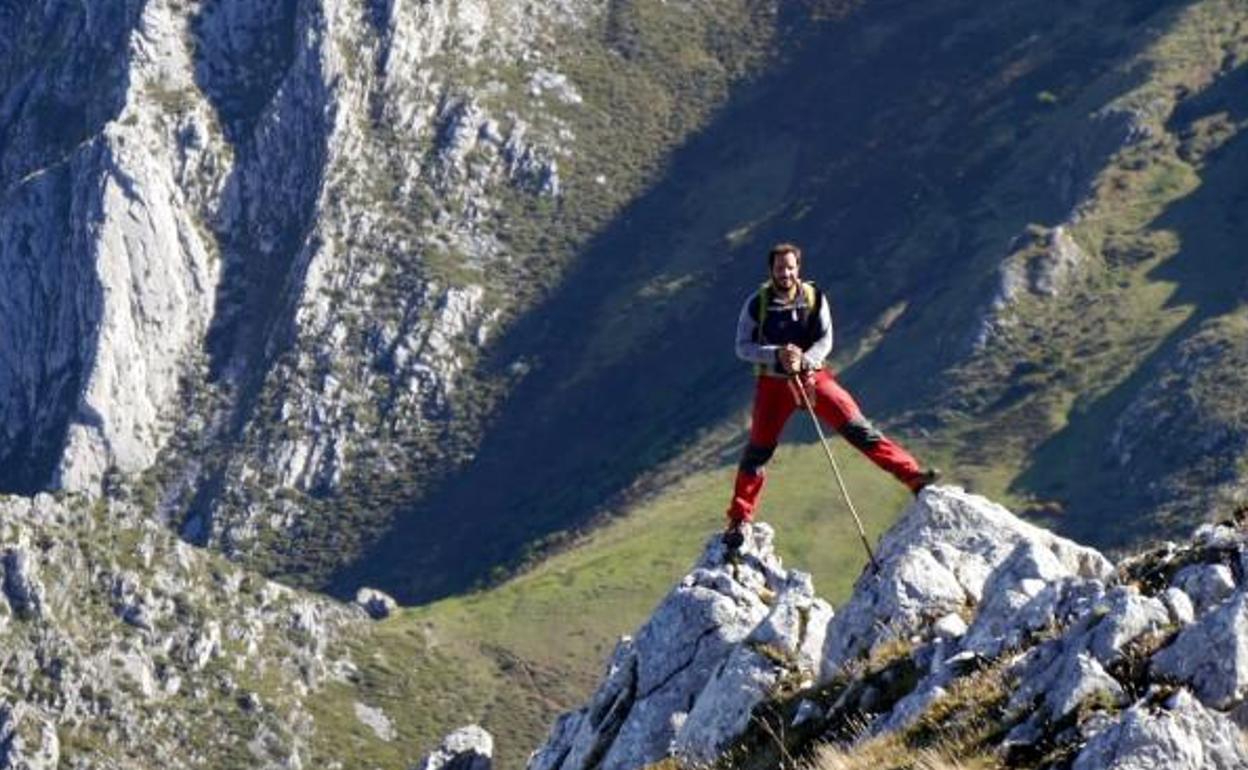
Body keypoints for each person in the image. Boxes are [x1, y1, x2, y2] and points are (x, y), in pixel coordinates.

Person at [724, 242, 937, 545]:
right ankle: (739, 521)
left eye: (789, 267)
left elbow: (826, 339)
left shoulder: (814, 298)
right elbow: (742, 347)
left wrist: (806, 360)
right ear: (771, 270)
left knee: (858, 427)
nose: (784, 273)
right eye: (779, 268)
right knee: (758, 451)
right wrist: (776, 354)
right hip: (773, 384)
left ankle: (912, 476)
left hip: (814, 377)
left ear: (798, 268)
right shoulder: (756, 304)